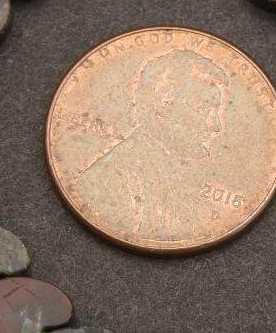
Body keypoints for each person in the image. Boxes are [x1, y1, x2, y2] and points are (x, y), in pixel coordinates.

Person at [75, 48, 229, 243]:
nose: (216, 126)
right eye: (206, 108)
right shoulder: (104, 183)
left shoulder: (183, 174)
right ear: (164, 104)